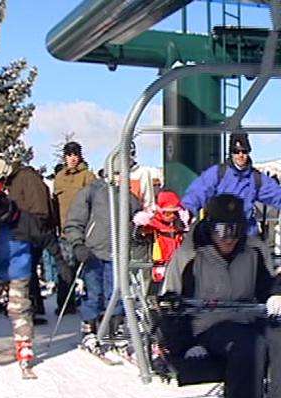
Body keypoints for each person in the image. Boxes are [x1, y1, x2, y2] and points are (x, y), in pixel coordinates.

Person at [161, 194, 281, 398]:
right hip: (209, 325)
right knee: (248, 348)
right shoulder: (189, 256)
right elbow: (171, 305)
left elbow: (276, 279)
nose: (228, 239)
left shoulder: (253, 250)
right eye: (221, 230)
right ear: (209, 227)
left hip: (248, 319)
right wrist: (183, 346)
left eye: (235, 230)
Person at [0, 193, 72, 374]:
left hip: (19, 270)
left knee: (18, 307)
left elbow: (49, 240)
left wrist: (61, 264)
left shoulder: (27, 221)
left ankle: (24, 344)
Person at [64, 165, 142, 353]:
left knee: (116, 292)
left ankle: (115, 329)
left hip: (118, 254)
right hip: (94, 252)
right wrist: (77, 244)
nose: (121, 178)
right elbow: (74, 221)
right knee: (94, 293)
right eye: (117, 173)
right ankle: (89, 328)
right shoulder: (92, 192)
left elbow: (136, 223)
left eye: (124, 174)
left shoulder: (129, 198)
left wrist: (140, 227)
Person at [182, 133, 281, 236]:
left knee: (260, 260)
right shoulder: (218, 174)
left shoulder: (255, 179)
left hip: (246, 233)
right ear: (231, 153)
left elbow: (277, 194)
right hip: (219, 232)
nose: (241, 155)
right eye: (236, 151)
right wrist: (187, 210)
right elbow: (198, 191)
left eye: (244, 151)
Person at [0, 156, 55, 322]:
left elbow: (40, 209)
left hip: (33, 232)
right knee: (25, 270)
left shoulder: (27, 178)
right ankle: (32, 306)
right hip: (22, 232)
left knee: (26, 270)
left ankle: (32, 309)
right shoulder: (13, 183)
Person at [53, 141, 97, 315]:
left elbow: (96, 203)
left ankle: (91, 303)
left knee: (88, 270)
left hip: (85, 231)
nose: (72, 159)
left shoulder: (88, 176)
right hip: (65, 231)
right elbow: (54, 204)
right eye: (69, 155)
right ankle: (65, 303)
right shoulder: (59, 177)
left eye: (74, 155)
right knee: (65, 269)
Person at [133, 190, 192, 293]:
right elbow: (138, 238)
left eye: (174, 212)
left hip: (176, 263)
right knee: (155, 290)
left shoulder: (179, 224)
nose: (171, 216)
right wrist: (141, 229)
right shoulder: (151, 223)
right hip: (157, 263)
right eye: (168, 213)